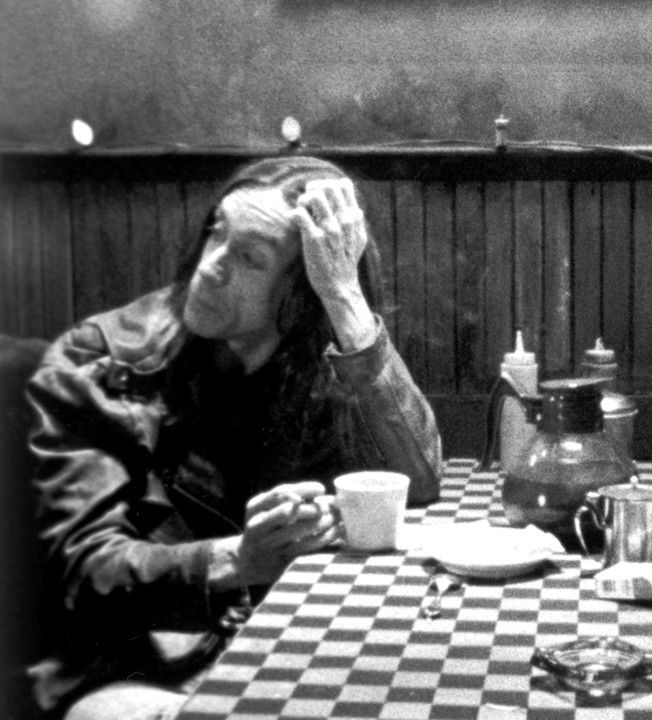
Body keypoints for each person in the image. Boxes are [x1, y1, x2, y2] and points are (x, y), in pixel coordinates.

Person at [23, 156, 443, 719]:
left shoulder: (315, 355)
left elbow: (419, 482)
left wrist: (345, 297)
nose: (210, 266)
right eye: (216, 232)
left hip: (272, 650)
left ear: (299, 296)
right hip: (127, 670)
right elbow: (81, 573)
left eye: (249, 256)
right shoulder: (103, 358)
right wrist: (239, 559)